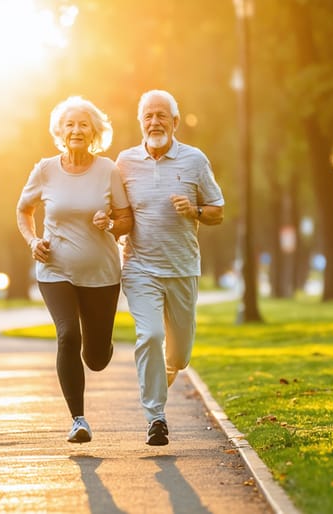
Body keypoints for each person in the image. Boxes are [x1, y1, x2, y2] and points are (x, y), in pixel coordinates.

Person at [16, 96, 132, 444]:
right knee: (68, 335)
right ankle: (78, 420)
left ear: (94, 131)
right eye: (70, 124)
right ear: (60, 132)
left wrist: (111, 222)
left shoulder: (108, 170)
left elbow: (126, 219)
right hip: (55, 269)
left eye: (83, 124)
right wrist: (33, 241)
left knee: (95, 358)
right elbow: (24, 210)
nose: (76, 130)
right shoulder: (45, 170)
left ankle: (100, 347)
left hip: (102, 274)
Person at [116, 89, 225, 446]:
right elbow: (120, 216)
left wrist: (193, 211)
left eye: (162, 115)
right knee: (150, 336)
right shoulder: (125, 163)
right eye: (148, 115)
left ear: (175, 122)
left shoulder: (194, 160)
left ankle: (158, 388)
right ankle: (156, 417)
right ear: (140, 122)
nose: (154, 121)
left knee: (179, 355)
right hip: (140, 268)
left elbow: (217, 211)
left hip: (182, 268)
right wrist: (107, 220)